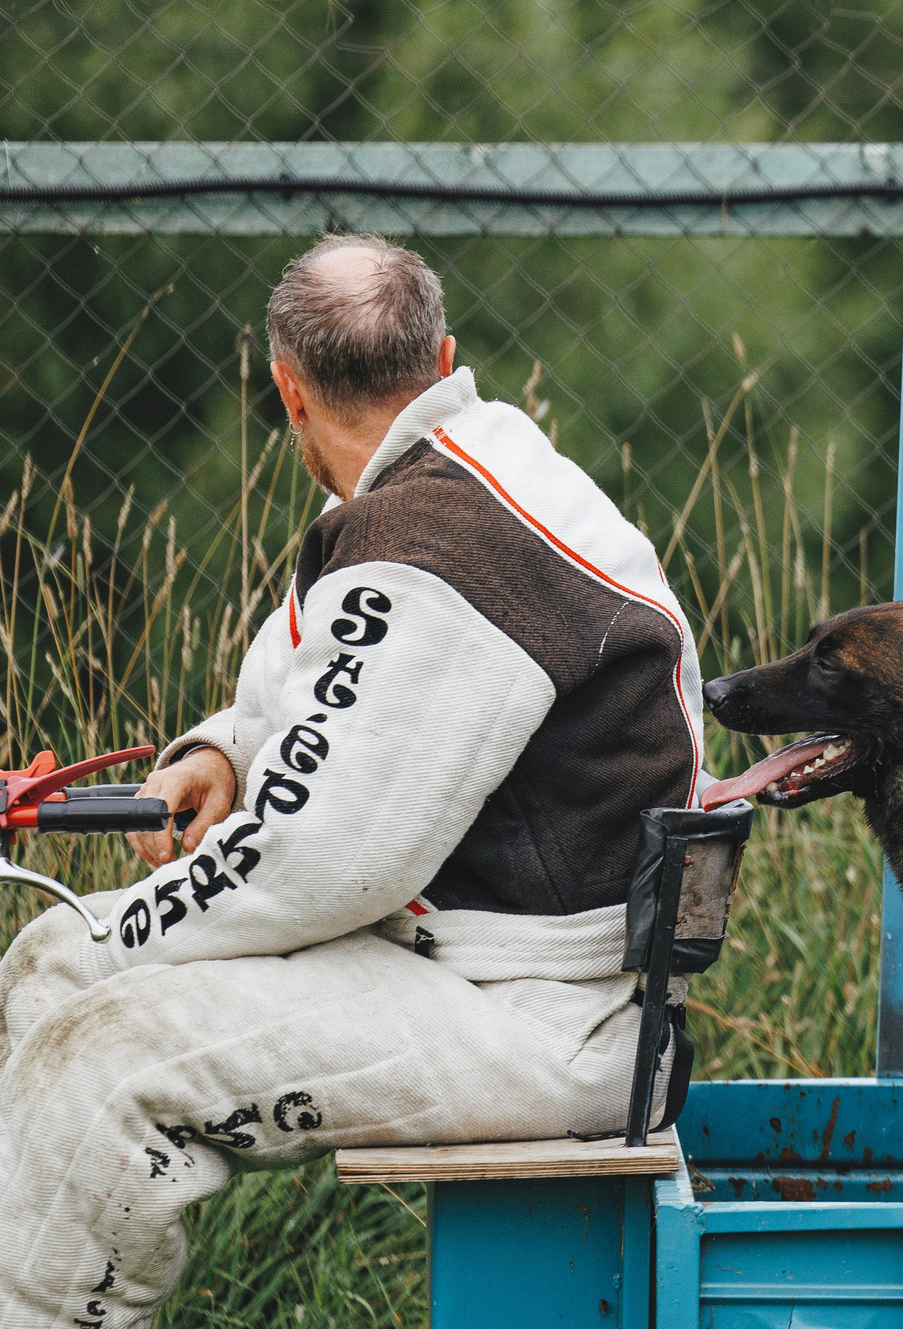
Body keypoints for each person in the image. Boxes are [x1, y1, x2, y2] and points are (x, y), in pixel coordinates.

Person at [0, 235, 704, 1327]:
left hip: (544, 1018)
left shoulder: (437, 544)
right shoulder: (474, 468)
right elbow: (346, 701)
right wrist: (223, 753)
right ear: (444, 356)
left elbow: (323, 861)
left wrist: (126, 933)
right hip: (476, 966)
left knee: (107, 1061)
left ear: (289, 390)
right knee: (47, 964)